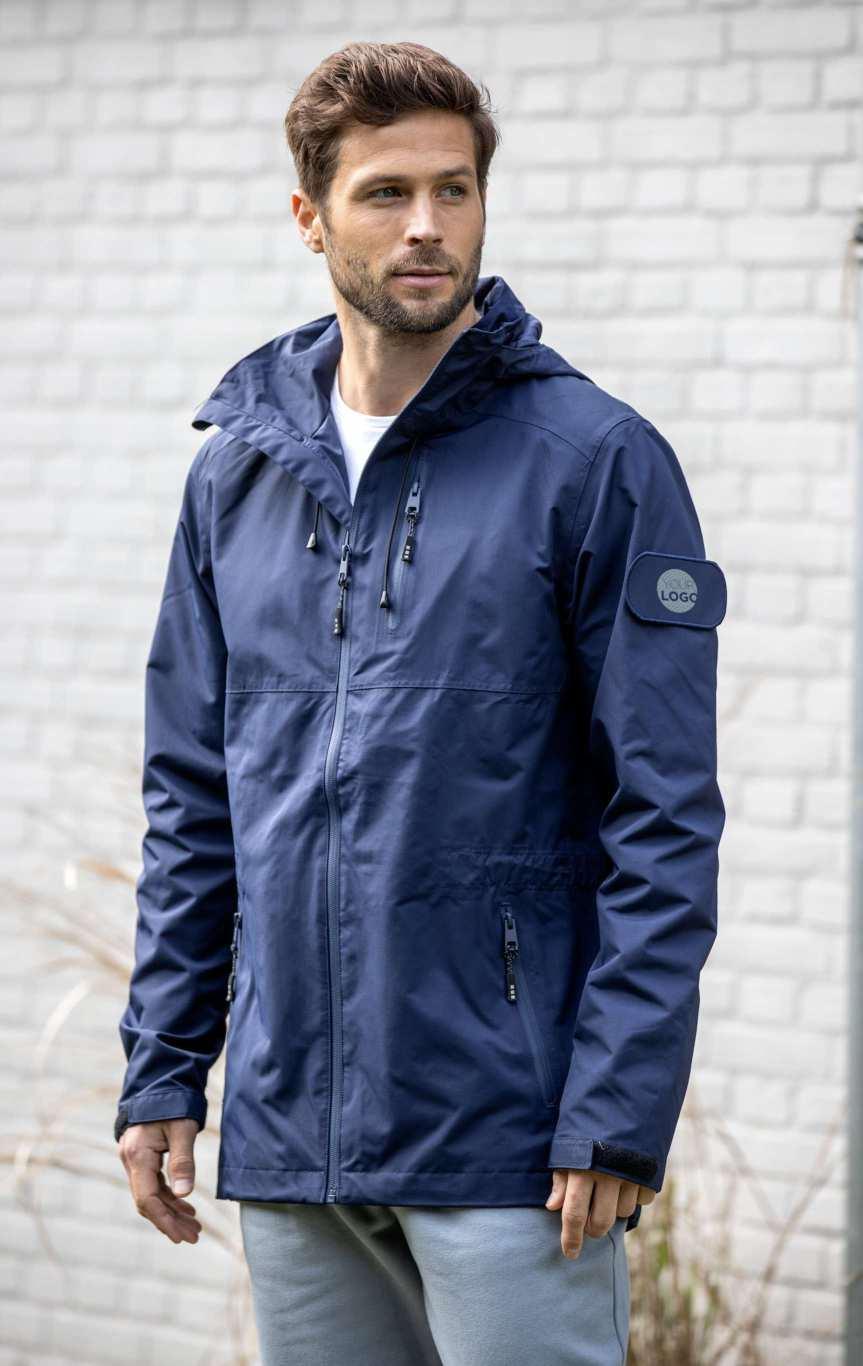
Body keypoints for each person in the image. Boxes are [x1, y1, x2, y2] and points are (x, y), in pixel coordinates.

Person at [114, 39, 726, 1366]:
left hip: (515, 1142)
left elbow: (665, 815)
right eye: (387, 193)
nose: (428, 227)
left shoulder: (595, 461)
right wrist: (165, 1061)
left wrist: (615, 1111)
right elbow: (195, 801)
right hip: (293, 1131)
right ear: (310, 215)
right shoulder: (235, 479)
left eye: (455, 190)